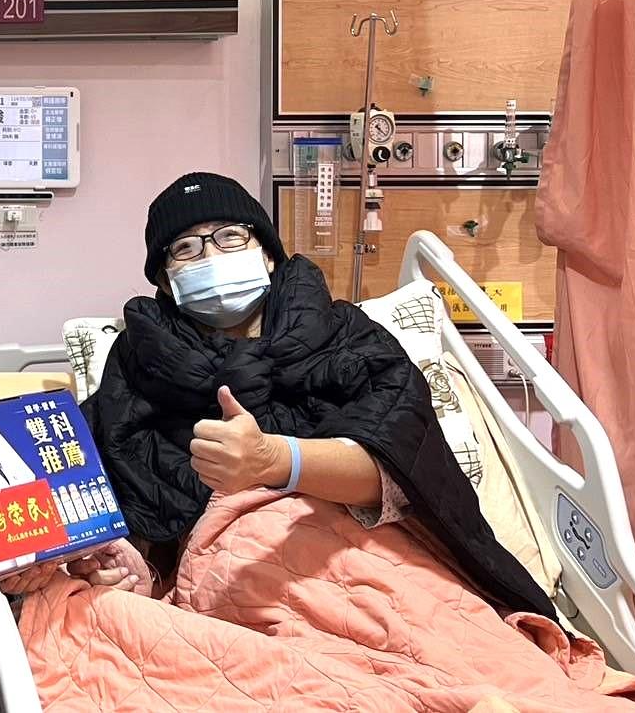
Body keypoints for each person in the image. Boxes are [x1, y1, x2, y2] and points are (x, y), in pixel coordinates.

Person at [82, 172, 553, 617]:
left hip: (359, 555)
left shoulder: (345, 336)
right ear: (166, 282)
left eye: (230, 237)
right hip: (223, 578)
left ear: (267, 253)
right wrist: (138, 570)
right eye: (185, 248)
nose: (210, 256)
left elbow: (401, 464)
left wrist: (274, 460)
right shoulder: (140, 363)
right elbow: (121, 487)